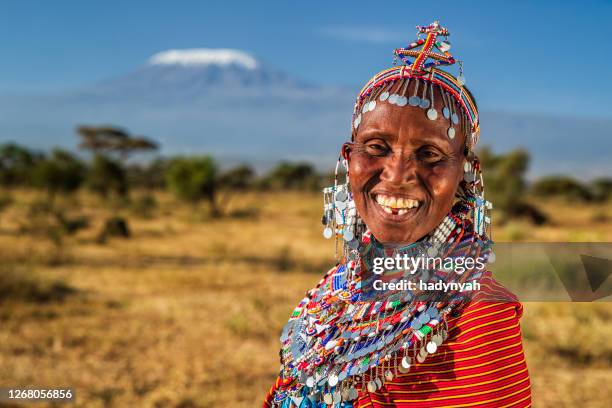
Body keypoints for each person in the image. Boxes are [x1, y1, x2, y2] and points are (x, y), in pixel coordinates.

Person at [264, 21, 531, 408]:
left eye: (429, 155)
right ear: (348, 159)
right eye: (376, 147)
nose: (397, 175)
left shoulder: (479, 315)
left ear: (465, 172)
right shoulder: (339, 284)